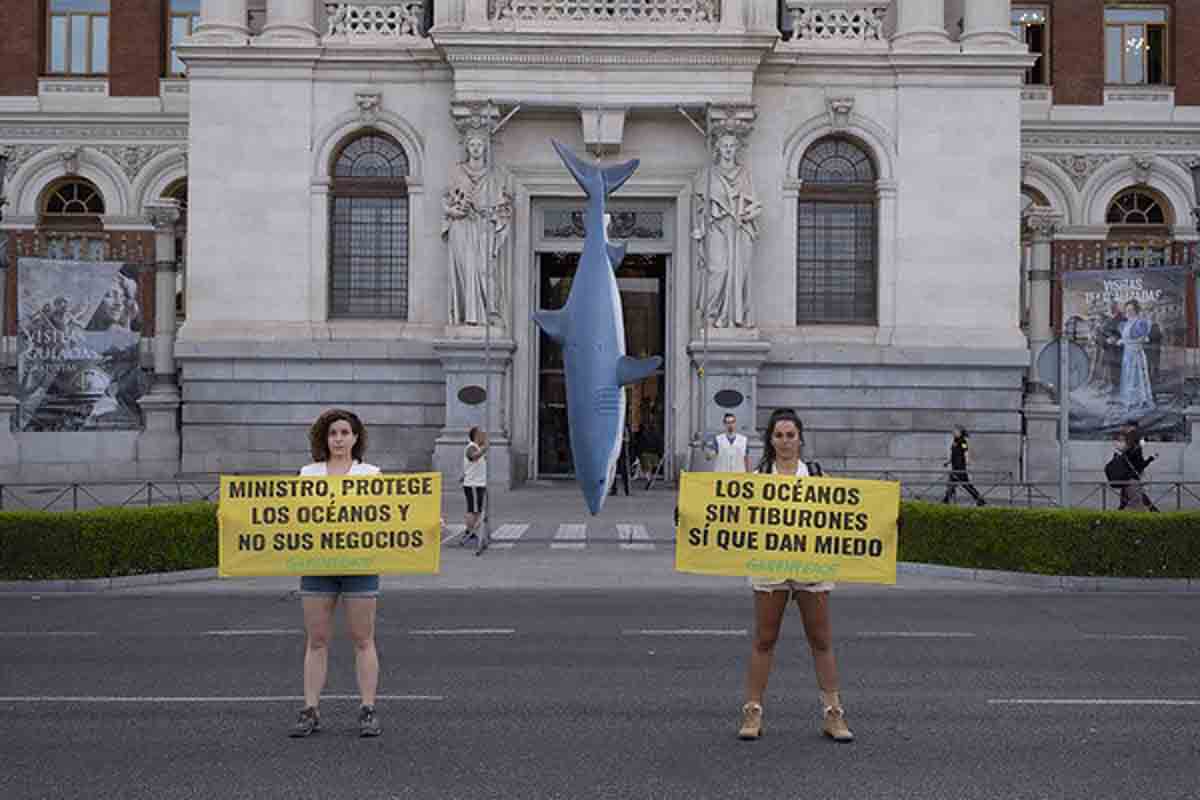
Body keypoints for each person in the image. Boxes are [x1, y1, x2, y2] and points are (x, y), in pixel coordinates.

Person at [739, 408, 853, 743]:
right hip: (769, 564)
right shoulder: (759, 479)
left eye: (791, 435)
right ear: (770, 440)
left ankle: (834, 714)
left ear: (800, 438)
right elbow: (732, 518)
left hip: (812, 566)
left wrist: (886, 523)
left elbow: (846, 515)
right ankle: (752, 711)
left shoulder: (817, 477)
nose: (785, 441)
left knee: (821, 640)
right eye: (779, 435)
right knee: (764, 639)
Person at [291, 409, 383, 739]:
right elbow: (288, 517)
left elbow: (389, 517)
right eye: (333, 434)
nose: (339, 439)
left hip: (360, 564)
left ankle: (367, 708)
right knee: (316, 640)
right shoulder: (308, 473)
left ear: (356, 438)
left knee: (363, 639)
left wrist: (427, 524)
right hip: (317, 565)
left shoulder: (371, 474)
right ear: (325, 439)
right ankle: (310, 709)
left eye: (345, 433)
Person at [443, 130, 513, 326]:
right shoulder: (457, 172)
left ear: (485, 148)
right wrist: (457, 212)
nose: (475, 148)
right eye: (472, 144)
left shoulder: (494, 174)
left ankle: (488, 313)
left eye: (479, 145)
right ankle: (469, 317)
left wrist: (495, 215)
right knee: (465, 270)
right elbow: (445, 203)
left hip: (484, 228)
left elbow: (503, 207)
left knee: (485, 270)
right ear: (467, 147)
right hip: (462, 226)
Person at [694, 132, 762, 328]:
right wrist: (699, 227)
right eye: (724, 145)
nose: (728, 149)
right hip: (716, 226)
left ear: (736, 149)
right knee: (719, 270)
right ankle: (711, 315)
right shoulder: (708, 174)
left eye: (732, 146)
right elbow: (699, 206)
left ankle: (731, 318)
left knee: (739, 273)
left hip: (739, 229)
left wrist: (748, 214)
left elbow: (756, 205)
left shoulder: (744, 174)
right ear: (718, 149)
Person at [1118, 300, 1155, 418]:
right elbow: (1126, 337)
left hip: (1136, 354)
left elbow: (1143, 339)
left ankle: (1140, 402)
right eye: (1127, 310)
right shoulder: (1125, 324)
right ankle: (1129, 402)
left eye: (1131, 310)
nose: (1128, 312)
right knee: (1128, 378)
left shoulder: (1141, 323)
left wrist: (1125, 342)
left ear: (1136, 311)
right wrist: (1121, 341)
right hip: (1127, 355)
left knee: (1137, 378)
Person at [942, 427, 986, 507]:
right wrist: (948, 462)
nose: (954, 432)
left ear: (960, 433)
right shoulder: (954, 441)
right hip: (954, 467)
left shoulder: (963, 441)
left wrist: (967, 460)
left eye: (956, 431)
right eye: (954, 431)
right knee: (951, 483)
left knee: (966, 485)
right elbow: (954, 454)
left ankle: (980, 499)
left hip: (960, 467)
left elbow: (966, 451)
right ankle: (946, 499)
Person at [462, 426, 488, 541]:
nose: (484, 436)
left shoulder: (475, 447)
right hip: (474, 484)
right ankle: (469, 532)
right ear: (476, 436)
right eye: (482, 434)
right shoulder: (471, 447)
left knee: (475, 509)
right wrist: (484, 449)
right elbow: (472, 457)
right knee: (473, 509)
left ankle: (472, 531)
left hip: (476, 483)